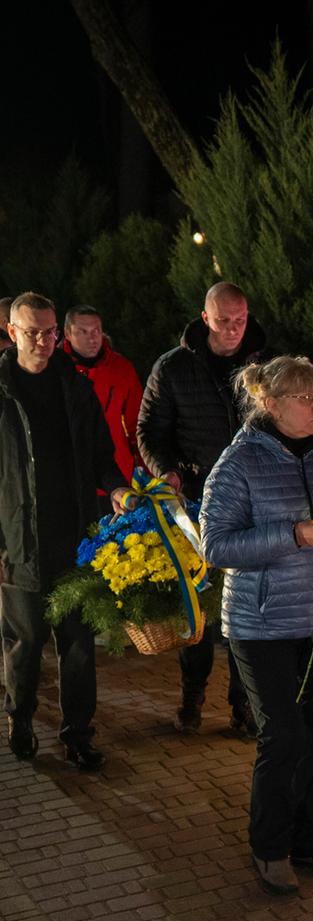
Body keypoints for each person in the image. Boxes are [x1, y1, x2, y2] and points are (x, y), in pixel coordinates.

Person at [199, 356, 313, 897]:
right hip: (262, 623)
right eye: (306, 398)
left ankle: (310, 840)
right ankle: (269, 848)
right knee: (284, 735)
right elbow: (216, 546)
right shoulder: (239, 463)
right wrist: (293, 535)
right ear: (271, 404)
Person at [1, 292, 135, 769]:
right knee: (26, 641)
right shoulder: (2, 389)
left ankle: (78, 734)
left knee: (79, 645)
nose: (43, 340)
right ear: (12, 332)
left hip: (78, 536)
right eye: (33, 332)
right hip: (20, 539)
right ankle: (19, 718)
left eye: (50, 331)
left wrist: (117, 489)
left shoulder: (74, 387)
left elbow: (102, 452)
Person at [137, 281, 268, 736]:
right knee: (200, 606)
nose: (233, 330)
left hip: (254, 503)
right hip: (196, 499)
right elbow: (150, 429)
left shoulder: (266, 364)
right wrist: (167, 471)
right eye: (224, 321)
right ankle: (192, 694)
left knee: (245, 610)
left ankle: (243, 705)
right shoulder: (174, 368)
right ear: (206, 317)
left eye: (241, 320)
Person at [61, 305, 144, 486]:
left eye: (96, 330)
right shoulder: (55, 369)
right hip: (71, 477)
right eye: (83, 331)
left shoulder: (121, 368)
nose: (92, 338)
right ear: (67, 333)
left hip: (117, 476)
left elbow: (137, 423)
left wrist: (147, 470)